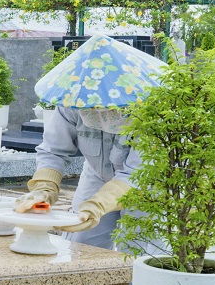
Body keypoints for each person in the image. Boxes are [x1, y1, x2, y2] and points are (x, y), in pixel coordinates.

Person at [14, 35, 166, 250]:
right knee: (82, 243)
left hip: (147, 184)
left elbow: (137, 173)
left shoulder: (152, 111)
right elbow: (53, 150)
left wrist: (99, 204)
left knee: (137, 251)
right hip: (97, 174)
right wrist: (44, 187)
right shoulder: (72, 98)